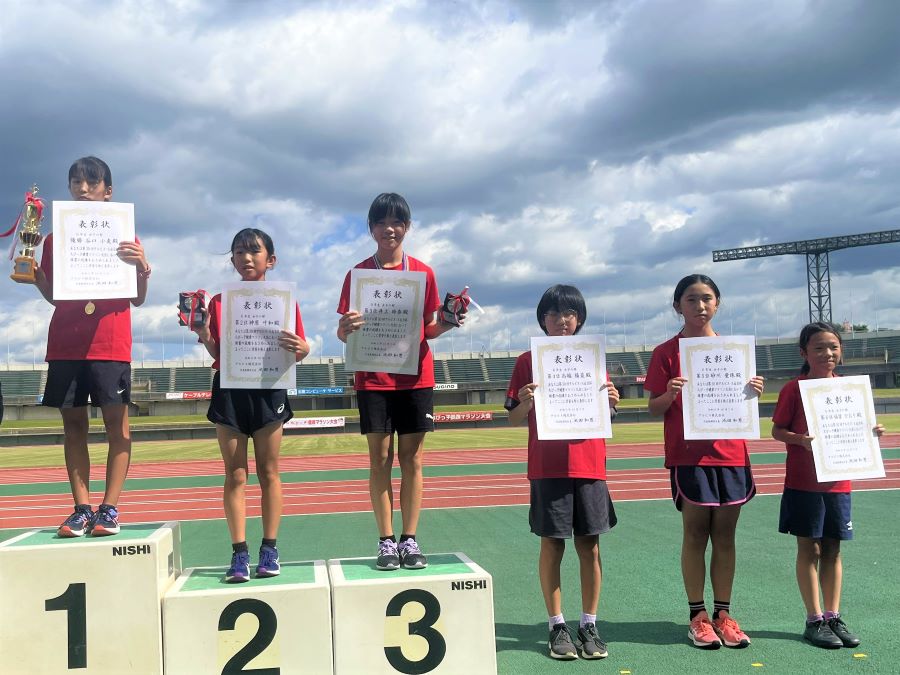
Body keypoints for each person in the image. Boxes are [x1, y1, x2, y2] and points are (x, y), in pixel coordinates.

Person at [336, 193, 462, 571]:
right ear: (371, 228)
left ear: (406, 227)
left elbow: (429, 329)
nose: (389, 228)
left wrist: (450, 320)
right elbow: (345, 333)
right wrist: (344, 328)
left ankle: (410, 538)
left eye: (397, 222)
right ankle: (386, 541)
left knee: (413, 460)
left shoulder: (422, 272)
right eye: (381, 222)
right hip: (373, 379)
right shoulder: (358, 274)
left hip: (414, 377)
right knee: (379, 461)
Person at [645, 274, 764, 649]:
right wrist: (668, 393)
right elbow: (653, 409)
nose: (700, 306)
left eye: (707, 299)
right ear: (677, 305)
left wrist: (754, 390)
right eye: (691, 299)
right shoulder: (666, 352)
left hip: (731, 453)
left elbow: (744, 403)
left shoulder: (735, 351)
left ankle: (723, 615)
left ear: (717, 304)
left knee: (726, 536)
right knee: (696, 534)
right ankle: (697, 615)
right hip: (690, 456)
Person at [33, 156, 150, 537]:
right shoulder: (53, 239)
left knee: (119, 428)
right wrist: (35, 277)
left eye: (92, 183)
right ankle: (81, 508)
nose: (83, 190)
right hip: (66, 343)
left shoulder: (127, 238)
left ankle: (110, 508)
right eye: (76, 183)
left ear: (108, 191)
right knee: (74, 429)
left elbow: (138, 299)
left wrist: (142, 267)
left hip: (110, 343)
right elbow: (56, 297)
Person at [505, 284, 619, 660]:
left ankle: (589, 623)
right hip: (548, 466)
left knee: (590, 545)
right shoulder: (527, 360)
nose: (562, 320)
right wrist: (524, 403)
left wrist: (612, 402)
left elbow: (607, 414)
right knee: (552, 544)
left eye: (569, 313)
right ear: (542, 319)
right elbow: (513, 417)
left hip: (589, 463)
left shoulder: (594, 357)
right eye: (553, 313)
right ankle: (556, 625)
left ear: (580, 318)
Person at [193, 228, 309, 582]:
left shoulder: (284, 301)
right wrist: (203, 334)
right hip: (230, 389)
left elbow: (299, 347)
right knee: (236, 474)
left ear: (270, 260)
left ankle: (270, 549)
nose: (246, 257)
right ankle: (239, 554)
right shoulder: (218, 301)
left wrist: (303, 351)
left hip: (269, 388)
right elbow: (216, 352)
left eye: (254, 251)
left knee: (269, 472)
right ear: (232, 260)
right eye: (239, 252)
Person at [771, 322, 884, 649]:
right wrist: (800, 440)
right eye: (819, 348)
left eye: (833, 347)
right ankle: (813, 619)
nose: (827, 353)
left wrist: (871, 432)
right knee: (810, 549)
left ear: (841, 351)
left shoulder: (850, 389)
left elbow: (860, 428)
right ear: (804, 353)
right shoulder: (794, 389)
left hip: (838, 481)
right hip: (804, 483)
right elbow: (777, 431)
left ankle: (834, 616)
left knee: (833, 549)